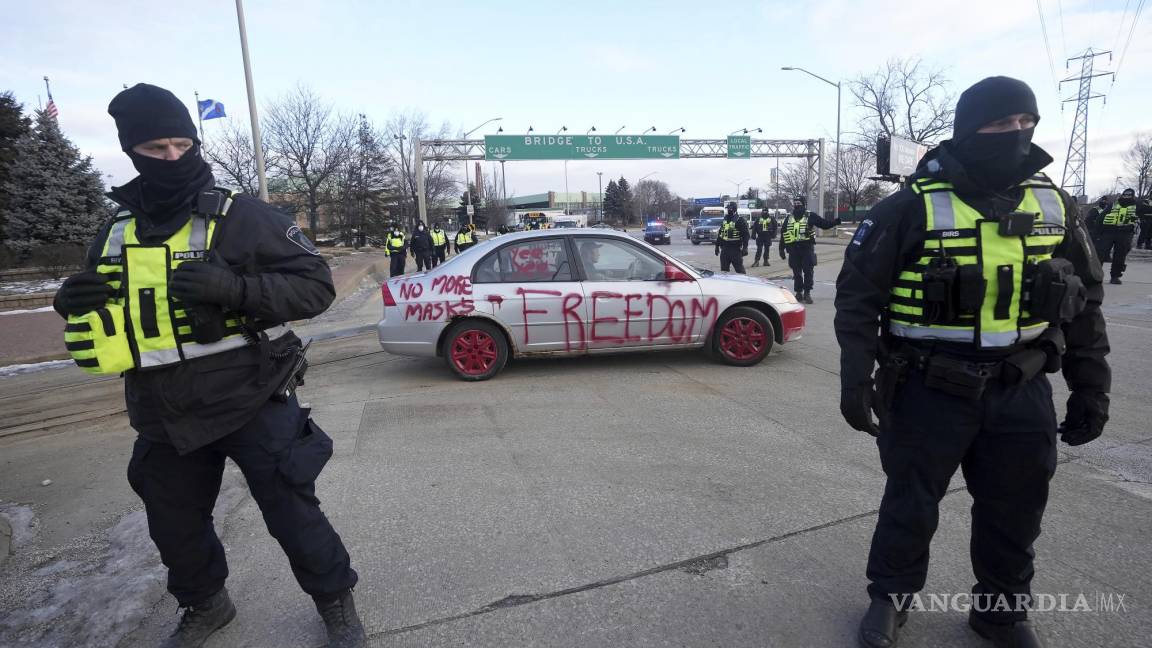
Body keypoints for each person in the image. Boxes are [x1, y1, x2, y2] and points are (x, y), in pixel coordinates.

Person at [52, 84, 365, 648]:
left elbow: (316, 287)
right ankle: (206, 604)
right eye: (156, 149)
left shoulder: (244, 216)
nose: (173, 158)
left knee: (292, 510)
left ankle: (335, 602)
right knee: (174, 523)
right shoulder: (115, 230)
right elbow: (110, 300)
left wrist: (238, 288)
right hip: (160, 404)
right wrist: (71, 300)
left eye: (181, 144)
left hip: (251, 393)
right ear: (131, 152)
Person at [834, 76, 1110, 648]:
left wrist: (1092, 387)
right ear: (968, 129)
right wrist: (855, 380)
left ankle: (1001, 612)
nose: (1015, 133)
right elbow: (857, 299)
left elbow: (1085, 305)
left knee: (1017, 508)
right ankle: (890, 597)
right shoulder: (908, 207)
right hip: (926, 387)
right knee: (910, 502)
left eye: (1024, 123)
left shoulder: (1055, 204)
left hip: (1021, 384)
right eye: (1000, 123)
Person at [779, 195, 839, 303]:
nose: (797, 205)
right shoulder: (789, 217)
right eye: (795, 203)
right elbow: (784, 233)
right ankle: (798, 292)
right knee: (796, 273)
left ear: (803, 204)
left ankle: (807, 293)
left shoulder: (810, 215)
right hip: (793, 250)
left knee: (808, 271)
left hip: (806, 249)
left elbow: (823, 224)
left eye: (799, 203)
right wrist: (781, 249)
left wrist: (834, 222)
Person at [1095, 188, 1139, 284]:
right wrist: (1098, 233)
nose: (1126, 197)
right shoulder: (1113, 205)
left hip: (1125, 233)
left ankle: (1115, 276)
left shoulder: (1137, 206)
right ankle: (1096, 276)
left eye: (1129, 195)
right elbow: (1100, 218)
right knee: (1100, 254)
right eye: (1125, 195)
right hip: (1109, 231)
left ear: (1133, 196)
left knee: (1120, 255)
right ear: (1122, 195)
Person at [714, 201, 749, 274]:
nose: (728, 210)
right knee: (724, 271)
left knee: (740, 271)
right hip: (724, 249)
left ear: (734, 209)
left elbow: (746, 235)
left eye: (730, 208)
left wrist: (745, 247)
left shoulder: (740, 220)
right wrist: (717, 246)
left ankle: (744, 284)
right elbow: (721, 233)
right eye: (728, 208)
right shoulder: (725, 220)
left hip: (735, 250)